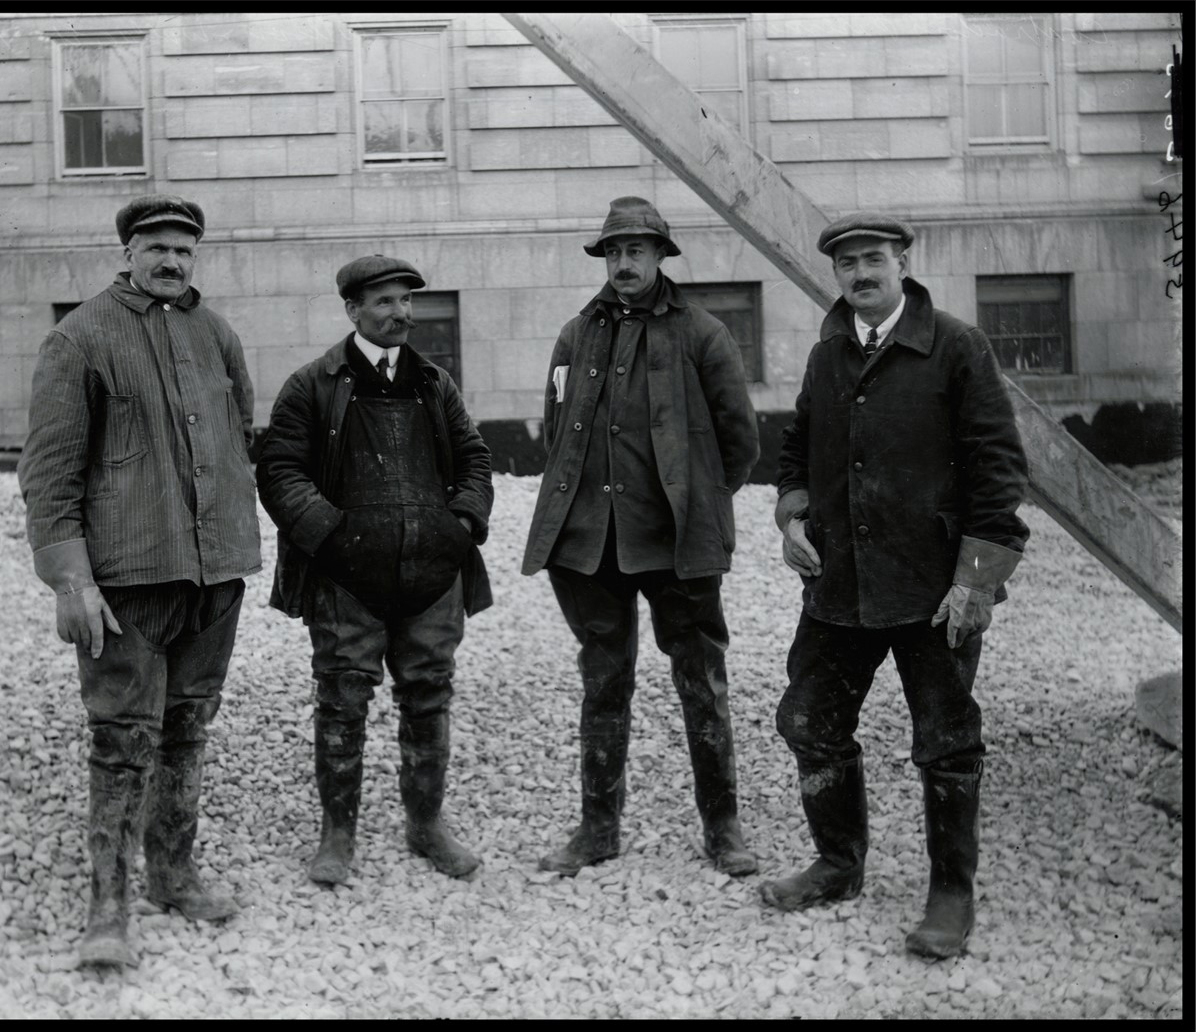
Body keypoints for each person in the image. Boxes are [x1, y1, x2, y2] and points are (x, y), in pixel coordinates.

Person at [762, 212, 1030, 959]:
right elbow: (794, 451)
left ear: (902, 261)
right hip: (839, 588)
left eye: (872, 257)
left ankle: (950, 894)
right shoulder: (826, 355)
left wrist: (974, 581)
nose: (859, 272)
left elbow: (998, 470)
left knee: (944, 745)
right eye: (845, 263)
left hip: (933, 590)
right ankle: (838, 864)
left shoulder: (955, 346)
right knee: (807, 722)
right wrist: (793, 519)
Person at [17, 194, 261, 967]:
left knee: (188, 728)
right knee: (122, 741)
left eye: (184, 250)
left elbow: (237, 439)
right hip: (125, 584)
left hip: (213, 575)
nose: (170, 261)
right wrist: (70, 582)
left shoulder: (214, 333)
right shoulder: (80, 337)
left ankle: (175, 875)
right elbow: (48, 474)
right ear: (125, 252)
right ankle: (109, 910)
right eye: (155, 247)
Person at [523, 197, 761, 877]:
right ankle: (597, 829)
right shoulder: (576, 335)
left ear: (660, 256)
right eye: (613, 252)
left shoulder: (703, 335)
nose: (623, 264)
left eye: (636, 251)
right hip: (590, 548)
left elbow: (739, 442)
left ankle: (722, 830)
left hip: (676, 546)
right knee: (602, 684)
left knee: (701, 683)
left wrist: (695, 503)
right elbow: (555, 431)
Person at [255, 255, 492, 887]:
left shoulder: (434, 382)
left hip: (432, 576)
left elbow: (473, 458)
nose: (400, 314)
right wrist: (332, 538)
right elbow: (279, 471)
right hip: (346, 581)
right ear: (353, 310)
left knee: (429, 694)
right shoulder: (313, 383)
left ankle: (427, 825)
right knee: (341, 700)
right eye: (384, 303)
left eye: (406, 302)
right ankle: (338, 834)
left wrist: (461, 527)